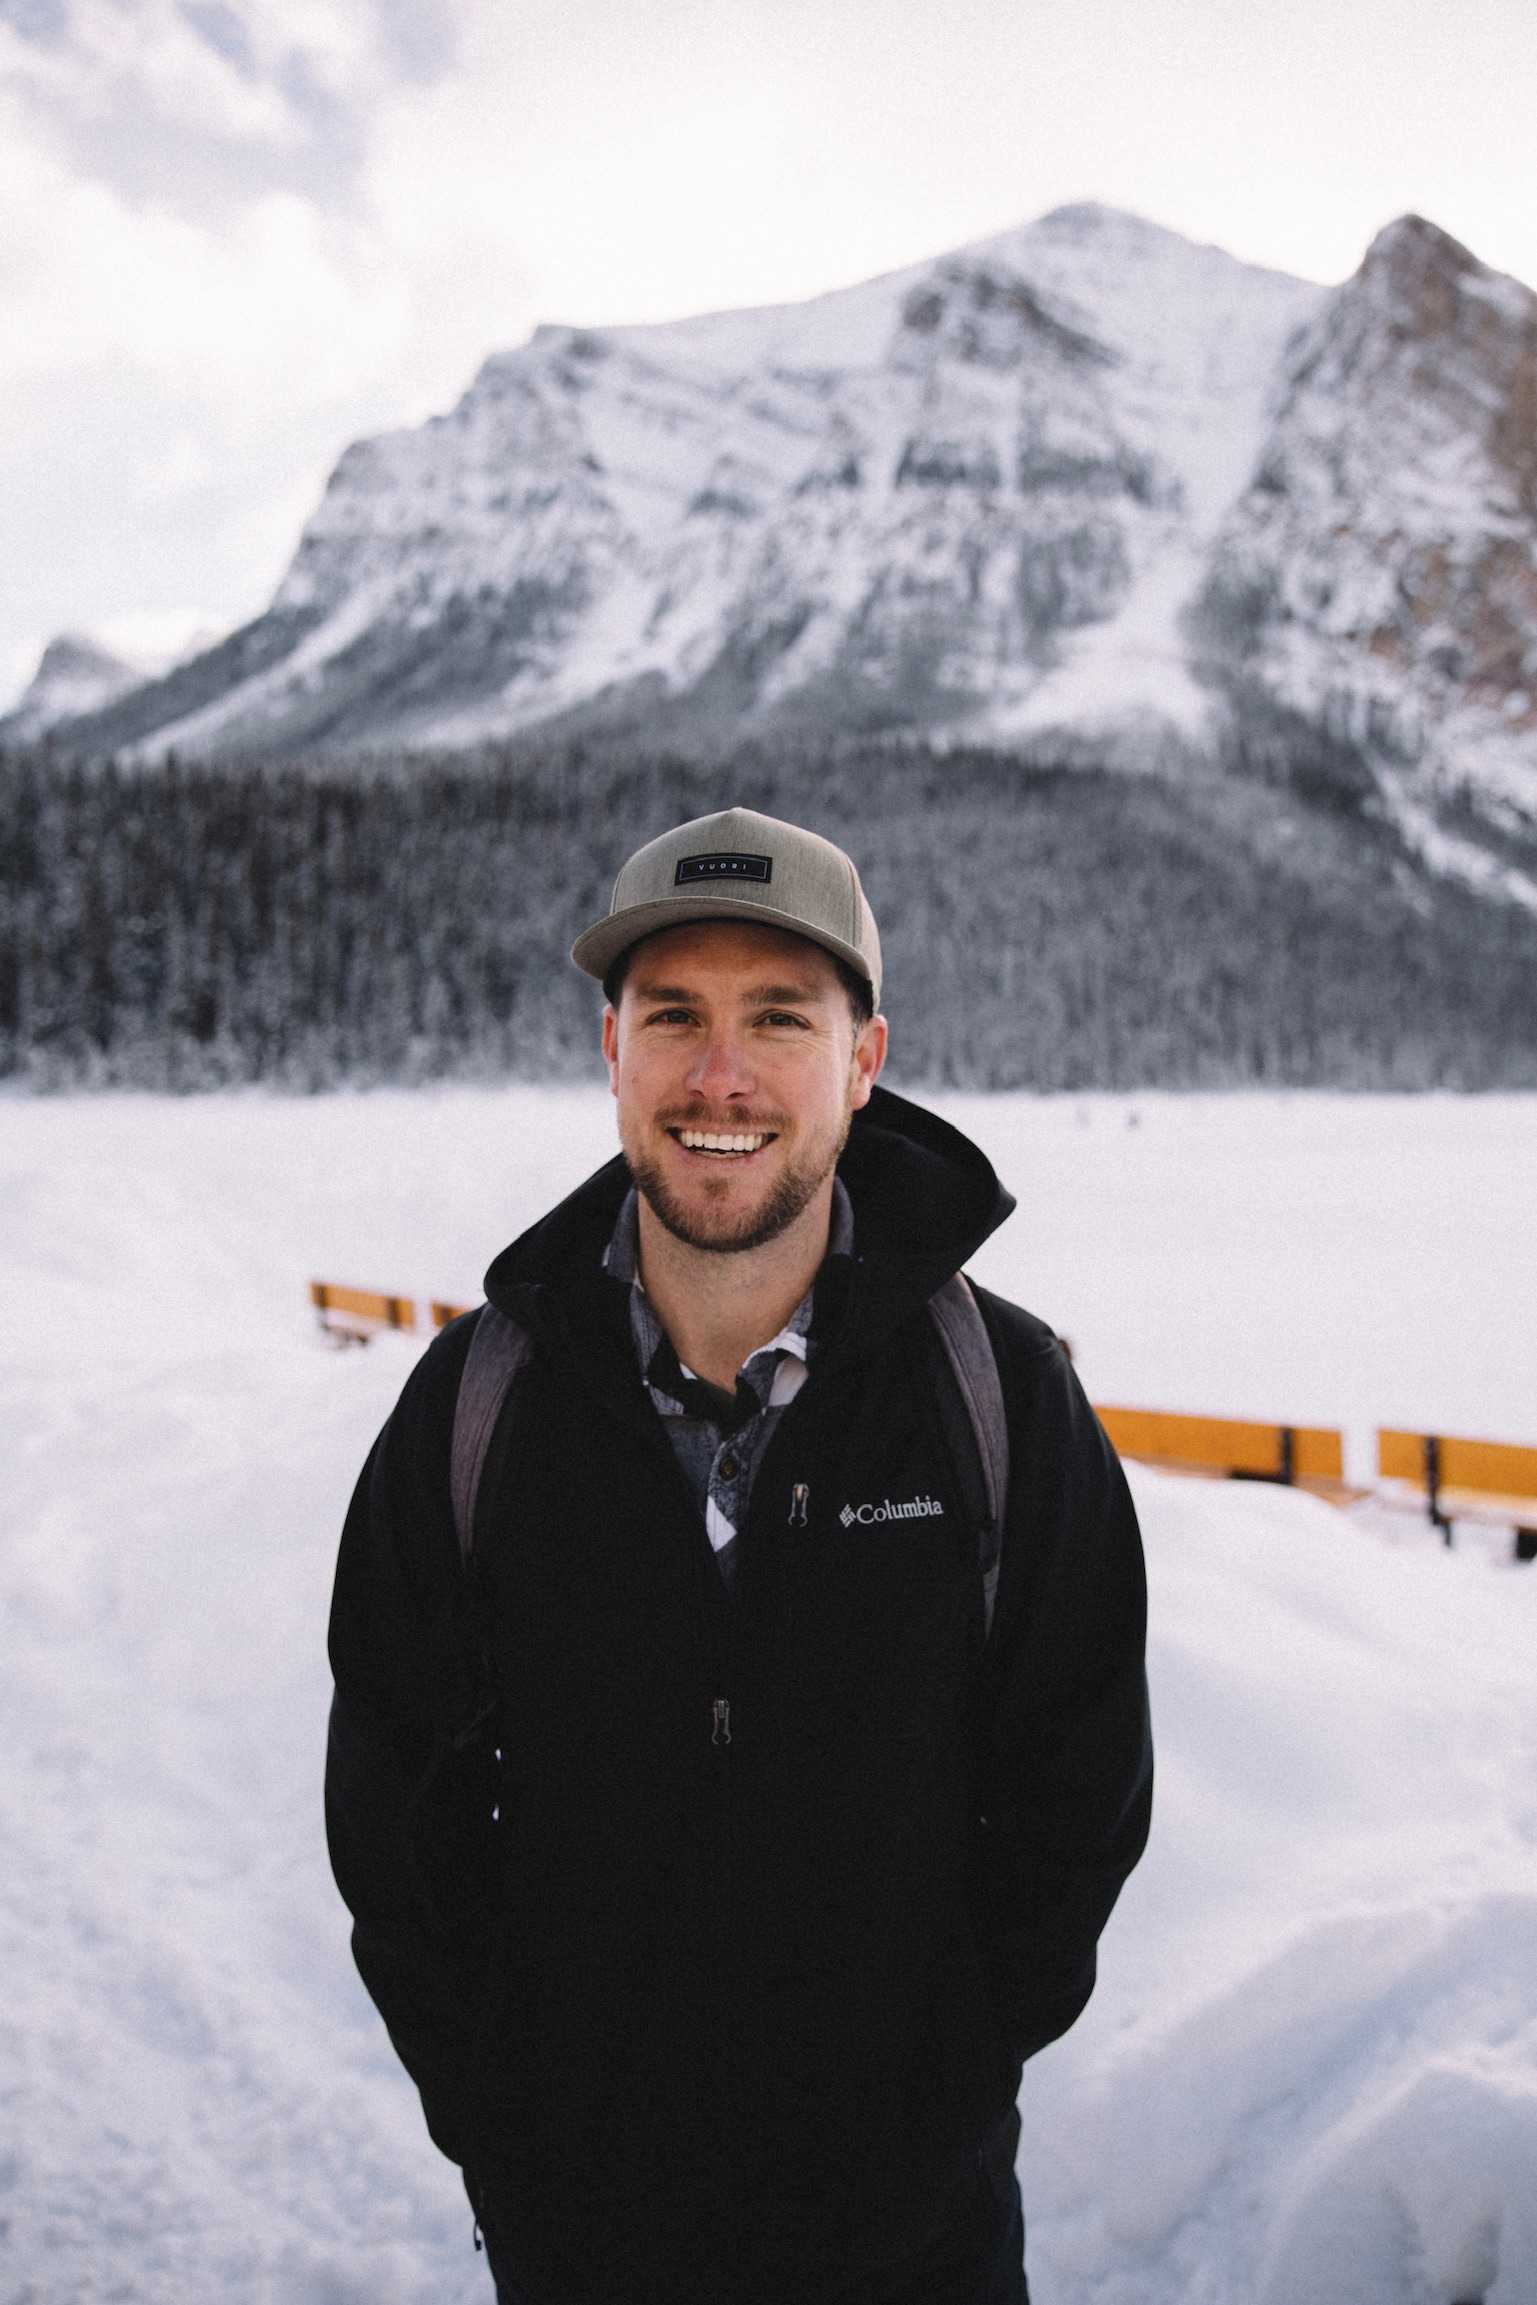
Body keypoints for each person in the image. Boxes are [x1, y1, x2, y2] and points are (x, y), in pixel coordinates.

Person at [325, 805, 1153, 2305]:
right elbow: (396, 1806)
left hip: (916, 2247)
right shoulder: (480, 1404)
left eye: (778, 1016)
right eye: (673, 1017)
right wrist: (504, 2117)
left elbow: (1075, 1792)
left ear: (864, 1058)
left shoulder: (999, 1401)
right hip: (582, 2241)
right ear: (611, 1050)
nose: (720, 1077)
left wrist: (943, 2085)